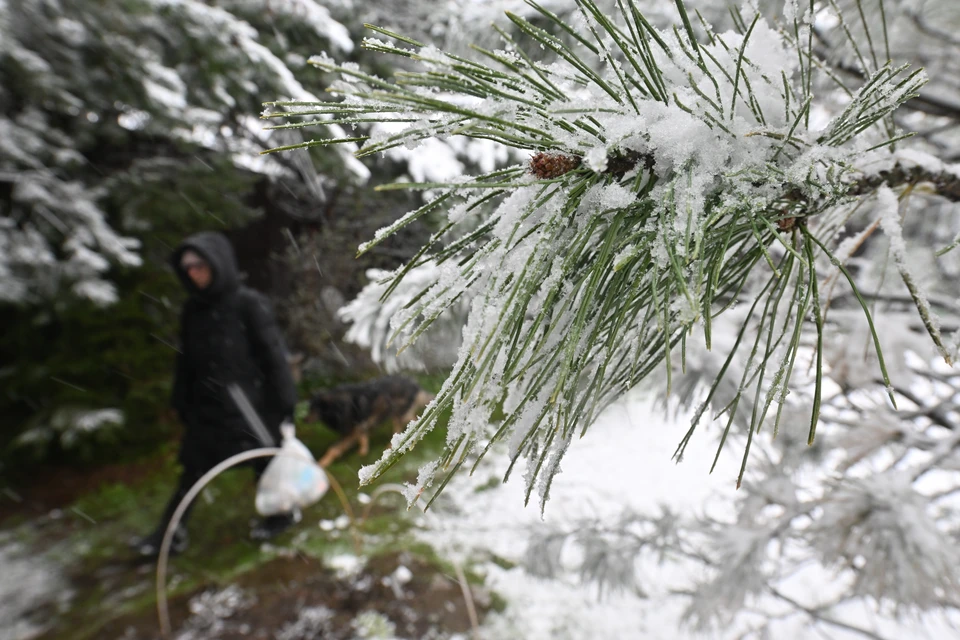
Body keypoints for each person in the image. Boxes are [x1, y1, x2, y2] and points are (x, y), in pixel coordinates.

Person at [133, 231, 299, 557]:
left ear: (217, 263)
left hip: (249, 407)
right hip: (208, 410)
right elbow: (186, 361)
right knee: (192, 471)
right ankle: (169, 534)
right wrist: (181, 401)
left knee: (265, 462)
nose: (194, 272)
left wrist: (284, 405)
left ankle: (282, 515)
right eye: (188, 267)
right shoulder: (192, 310)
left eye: (199, 265)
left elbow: (274, 358)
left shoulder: (249, 305)